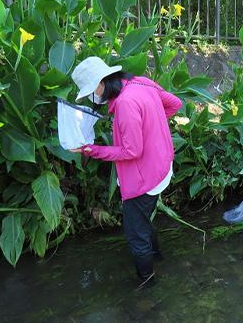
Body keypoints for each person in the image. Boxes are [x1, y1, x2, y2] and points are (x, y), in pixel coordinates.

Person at [69, 56, 182, 288]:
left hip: (145, 177)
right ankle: (157, 256)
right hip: (162, 166)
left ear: (101, 84)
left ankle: (147, 282)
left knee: (135, 234)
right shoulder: (141, 82)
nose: (93, 96)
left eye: (91, 90)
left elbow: (131, 151)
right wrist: (153, 127)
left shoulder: (124, 103)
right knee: (143, 217)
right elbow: (174, 104)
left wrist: (91, 150)